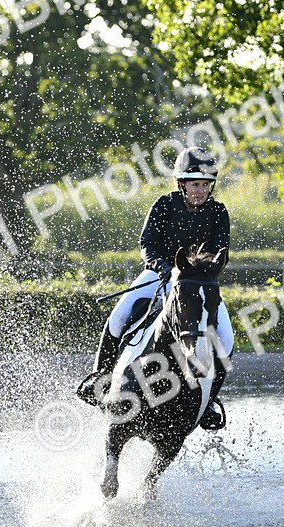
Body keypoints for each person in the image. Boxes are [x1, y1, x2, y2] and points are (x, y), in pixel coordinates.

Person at [76, 146, 234, 429]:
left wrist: (204, 271)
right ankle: (100, 377)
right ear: (181, 183)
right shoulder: (163, 205)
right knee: (120, 315)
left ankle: (209, 401)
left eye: (206, 185)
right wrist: (163, 267)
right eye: (195, 184)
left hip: (198, 283)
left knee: (226, 336)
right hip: (159, 275)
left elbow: (222, 251)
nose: (201, 190)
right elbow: (146, 244)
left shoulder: (218, 211)